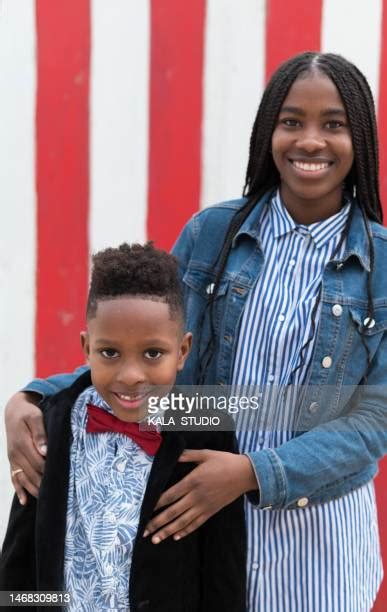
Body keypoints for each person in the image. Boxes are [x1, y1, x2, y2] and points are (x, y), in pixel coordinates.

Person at [4, 51, 387, 610]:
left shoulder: (380, 264)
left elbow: (374, 418)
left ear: (362, 140)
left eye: (333, 124)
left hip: (319, 540)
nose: (310, 141)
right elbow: (149, 356)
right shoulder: (213, 235)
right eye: (291, 121)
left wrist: (254, 473)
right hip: (191, 518)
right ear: (267, 133)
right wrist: (37, 395)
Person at [0, 243, 246, 612]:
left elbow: (222, 569)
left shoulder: (207, 428)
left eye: (152, 354)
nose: (131, 376)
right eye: (110, 353)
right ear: (86, 348)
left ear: (182, 351)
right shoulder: (50, 423)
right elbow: (19, 563)